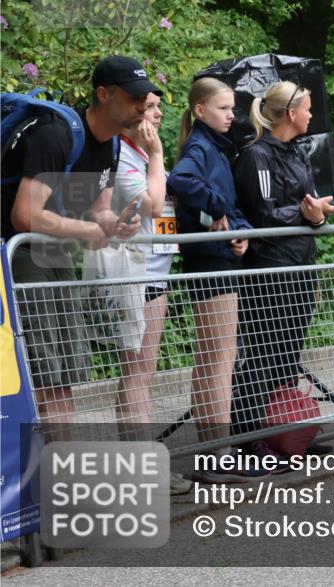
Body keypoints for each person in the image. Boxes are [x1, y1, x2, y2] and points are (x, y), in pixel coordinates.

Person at [2, 55, 150, 434]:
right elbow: (24, 215)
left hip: (54, 251)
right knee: (44, 373)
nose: (143, 105)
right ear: (103, 94)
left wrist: (115, 223)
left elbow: (98, 210)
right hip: (19, 253)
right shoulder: (56, 135)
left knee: (64, 373)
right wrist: (85, 231)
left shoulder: (112, 145)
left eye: (145, 97)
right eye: (134, 97)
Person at [232, 80, 334, 451]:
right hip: (270, 268)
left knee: (289, 353)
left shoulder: (299, 152)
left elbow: (307, 211)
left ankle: (288, 434)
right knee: (264, 352)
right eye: (307, 109)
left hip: (302, 264)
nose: (312, 115)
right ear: (291, 113)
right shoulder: (256, 155)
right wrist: (305, 213)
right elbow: (262, 215)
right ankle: (250, 437)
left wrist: (318, 215)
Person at [167, 77, 265, 483]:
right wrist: (220, 210)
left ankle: (217, 450)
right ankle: (217, 454)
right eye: (223, 108)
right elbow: (180, 180)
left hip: (219, 257)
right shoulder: (200, 147)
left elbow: (229, 205)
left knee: (216, 359)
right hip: (209, 262)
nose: (231, 115)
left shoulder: (215, 147)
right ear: (200, 110)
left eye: (232, 108)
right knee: (218, 360)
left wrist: (239, 229)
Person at [108, 90, 191, 494]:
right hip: (133, 275)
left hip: (157, 273)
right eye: (150, 107)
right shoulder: (123, 156)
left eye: (159, 107)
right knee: (136, 375)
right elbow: (154, 207)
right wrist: (157, 155)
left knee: (144, 373)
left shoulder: (142, 153)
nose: (158, 114)